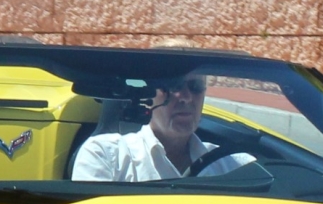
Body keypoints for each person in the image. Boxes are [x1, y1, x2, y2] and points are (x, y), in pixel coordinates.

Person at [70, 72, 256, 182]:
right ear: (147, 93)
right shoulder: (106, 155)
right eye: (173, 86)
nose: (186, 97)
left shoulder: (235, 166)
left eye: (196, 87)